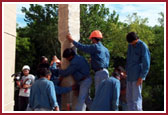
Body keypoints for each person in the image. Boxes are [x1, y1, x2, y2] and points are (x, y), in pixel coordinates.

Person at [126, 32, 150, 111]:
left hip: (137, 77)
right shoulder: (130, 46)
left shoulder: (142, 46)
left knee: (136, 100)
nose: (131, 44)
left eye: (132, 42)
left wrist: (142, 77)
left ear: (136, 39)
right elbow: (128, 60)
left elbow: (146, 63)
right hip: (129, 76)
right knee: (129, 100)